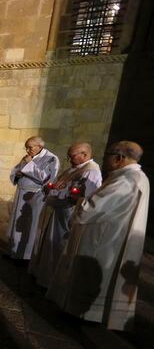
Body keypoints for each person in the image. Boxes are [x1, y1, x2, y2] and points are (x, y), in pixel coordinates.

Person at [47, 141, 148, 331]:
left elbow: (91, 210)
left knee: (88, 276)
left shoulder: (126, 180)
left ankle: (82, 314)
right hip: (110, 236)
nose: (104, 160)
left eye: (107, 155)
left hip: (102, 239)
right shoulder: (135, 176)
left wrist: (78, 201)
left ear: (119, 158)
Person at [29, 143, 102, 288]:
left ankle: (55, 281)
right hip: (58, 211)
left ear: (85, 155)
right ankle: (45, 275)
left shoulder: (91, 171)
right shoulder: (75, 168)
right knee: (50, 242)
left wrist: (68, 195)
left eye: (72, 156)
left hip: (69, 214)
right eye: (68, 155)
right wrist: (50, 188)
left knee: (59, 245)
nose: (69, 159)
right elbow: (60, 185)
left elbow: (89, 197)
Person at [7, 137, 60, 260]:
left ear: (40, 147)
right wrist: (18, 174)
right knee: (16, 222)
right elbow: (16, 171)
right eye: (26, 147)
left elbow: (47, 178)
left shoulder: (51, 159)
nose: (27, 150)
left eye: (30, 147)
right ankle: (13, 252)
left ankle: (25, 256)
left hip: (34, 196)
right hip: (21, 193)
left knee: (29, 225)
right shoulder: (27, 157)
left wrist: (29, 164)